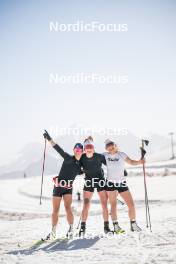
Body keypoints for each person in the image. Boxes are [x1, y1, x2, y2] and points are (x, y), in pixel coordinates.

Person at [43, 130, 83, 239]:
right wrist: (49, 139)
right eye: (76, 149)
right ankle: (53, 231)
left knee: (68, 208)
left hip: (68, 188)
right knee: (55, 210)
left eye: (80, 149)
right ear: (74, 150)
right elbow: (58, 148)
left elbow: (89, 170)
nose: (78, 151)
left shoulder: (81, 165)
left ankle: (70, 229)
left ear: (82, 151)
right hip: (58, 187)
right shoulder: (68, 157)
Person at [104, 139, 145, 233]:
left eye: (111, 144)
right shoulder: (105, 155)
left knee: (131, 204)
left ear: (115, 145)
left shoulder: (121, 154)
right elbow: (94, 158)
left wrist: (140, 162)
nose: (110, 147)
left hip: (122, 183)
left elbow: (131, 162)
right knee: (113, 205)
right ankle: (116, 226)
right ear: (106, 148)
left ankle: (133, 225)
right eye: (108, 146)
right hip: (110, 183)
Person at [79, 136, 111, 236]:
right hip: (89, 182)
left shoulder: (99, 156)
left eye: (90, 146)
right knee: (86, 205)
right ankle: (82, 228)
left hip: (100, 182)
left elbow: (111, 164)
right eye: (87, 146)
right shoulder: (82, 158)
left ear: (93, 147)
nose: (89, 148)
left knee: (104, 205)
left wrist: (123, 171)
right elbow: (74, 167)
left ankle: (106, 227)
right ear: (84, 148)